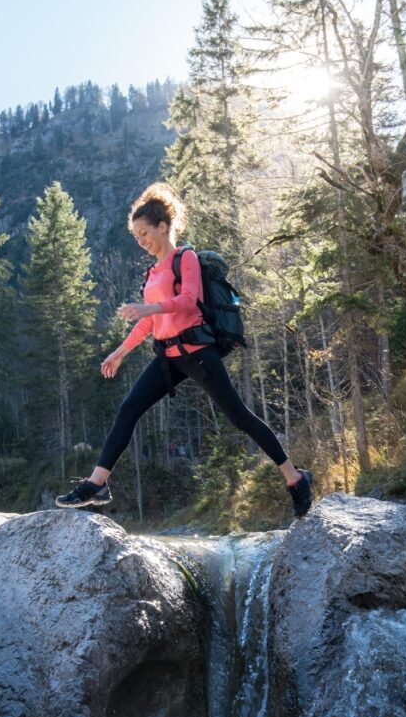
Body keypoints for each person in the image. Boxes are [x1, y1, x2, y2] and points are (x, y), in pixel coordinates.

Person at [56, 182, 314, 517]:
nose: (141, 241)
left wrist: (149, 309)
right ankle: (97, 483)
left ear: (163, 227)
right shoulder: (152, 273)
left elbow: (188, 300)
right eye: (136, 235)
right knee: (128, 409)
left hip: (197, 353)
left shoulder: (185, 258)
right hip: (168, 358)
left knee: (240, 417)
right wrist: (120, 352)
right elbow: (148, 323)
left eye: (144, 233)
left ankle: (295, 479)